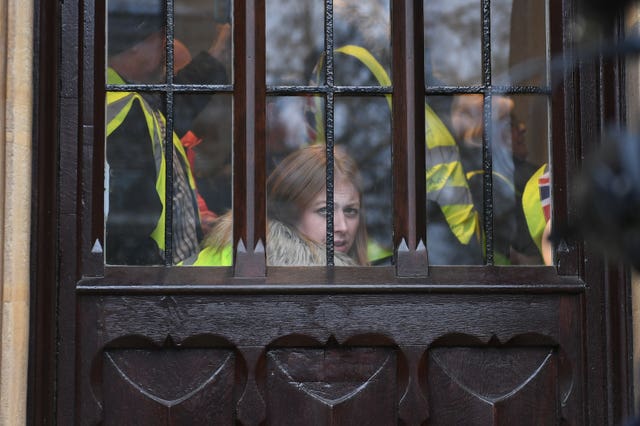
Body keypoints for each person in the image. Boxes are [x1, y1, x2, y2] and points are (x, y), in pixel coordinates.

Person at [105, 10, 230, 265]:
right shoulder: (126, 108)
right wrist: (163, 278)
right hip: (152, 285)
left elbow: (174, 105)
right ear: (134, 47)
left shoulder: (125, 97)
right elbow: (130, 228)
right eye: (160, 37)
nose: (166, 45)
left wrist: (217, 53)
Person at [183, 144, 369, 266]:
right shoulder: (247, 264)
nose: (342, 226)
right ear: (290, 212)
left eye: (350, 211)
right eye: (325, 211)